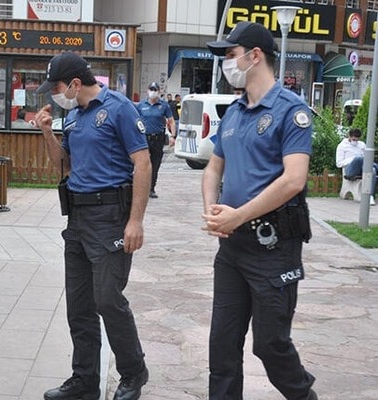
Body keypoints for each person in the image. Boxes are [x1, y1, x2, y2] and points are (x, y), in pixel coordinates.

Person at [202, 21, 317, 400]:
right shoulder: (234, 112)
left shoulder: (291, 111)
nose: (226, 64)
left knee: (270, 345)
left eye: (231, 55)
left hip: (273, 249)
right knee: (222, 347)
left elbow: (293, 180)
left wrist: (239, 215)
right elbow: (214, 167)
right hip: (232, 247)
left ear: (255, 56)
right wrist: (214, 213)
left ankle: (304, 395)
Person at [34, 51, 151, 400]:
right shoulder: (72, 118)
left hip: (111, 217)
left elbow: (142, 164)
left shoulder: (119, 109)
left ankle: (133, 372)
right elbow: (64, 164)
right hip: (78, 218)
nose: (53, 94)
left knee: (108, 300)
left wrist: (136, 221)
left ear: (74, 83)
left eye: (55, 87)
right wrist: (46, 131)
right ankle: (85, 380)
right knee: (80, 305)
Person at [136, 82, 175, 199]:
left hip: (158, 138)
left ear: (159, 91)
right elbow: (135, 120)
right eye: (151, 89)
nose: (153, 91)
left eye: (155, 89)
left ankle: (151, 188)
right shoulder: (141, 105)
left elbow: (171, 121)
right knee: (142, 164)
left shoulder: (164, 106)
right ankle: (140, 188)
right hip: (144, 138)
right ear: (148, 90)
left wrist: (173, 136)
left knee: (155, 164)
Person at [336, 128, 378, 193]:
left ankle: (370, 196)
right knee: (359, 158)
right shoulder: (342, 146)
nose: (355, 141)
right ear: (349, 136)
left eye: (357, 140)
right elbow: (339, 163)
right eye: (353, 139)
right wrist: (352, 159)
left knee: (373, 170)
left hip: (363, 167)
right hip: (350, 169)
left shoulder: (362, 144)